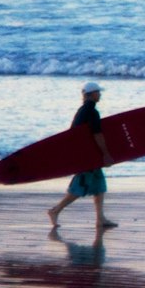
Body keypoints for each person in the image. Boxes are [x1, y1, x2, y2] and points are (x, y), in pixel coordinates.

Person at [45, 82, 117, 236]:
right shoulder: (92, 112)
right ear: (91, 94)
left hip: (87, 154)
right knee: (80, 188)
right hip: (86, 156)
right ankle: (55, 210)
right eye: (98, 92)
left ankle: (100, 219)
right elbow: (97, 134)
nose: (100, 94)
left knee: (99, 187)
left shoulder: (83, 111)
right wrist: (105, 153)